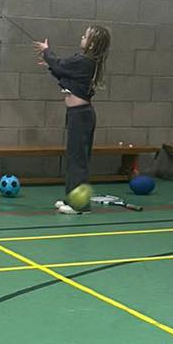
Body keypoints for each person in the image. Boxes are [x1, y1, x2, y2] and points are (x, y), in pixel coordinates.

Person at [32, 24, 111, 214]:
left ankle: (80, 205)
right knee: (73, 158)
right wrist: (50, 64)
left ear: (92, 45)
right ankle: (72, 198)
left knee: (78, 160)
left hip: (81, 116)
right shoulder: (83, 62)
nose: (81, 38)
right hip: (77, 115)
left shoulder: (84, 61)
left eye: (85, 36)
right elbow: (62, 72)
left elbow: (60, 65)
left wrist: (47, 52)